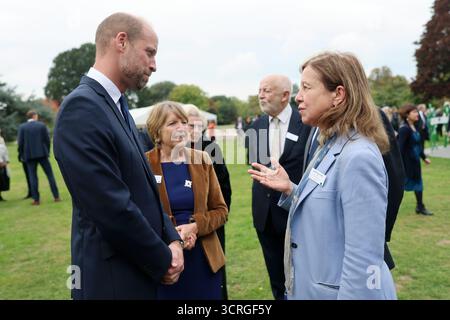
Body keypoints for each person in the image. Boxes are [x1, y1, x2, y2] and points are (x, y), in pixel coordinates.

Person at [53, 12, 184, 300]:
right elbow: (111, 206)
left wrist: (172, 238)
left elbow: (143, 190)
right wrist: (162, 257)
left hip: (132, 270)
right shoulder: (83, 108)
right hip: (110, 280)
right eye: (149, 52)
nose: (154, 65)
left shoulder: (115, 105)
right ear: (121, 42)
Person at [249, 52, 397, 299]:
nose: (298, 97)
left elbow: (364, 259)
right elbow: (331, 209)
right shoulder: (329, 143)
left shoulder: (358, 156)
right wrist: (290, 189)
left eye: (306, 87)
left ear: (338, 95)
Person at [145, 101, 228, 300]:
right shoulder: (145, 164)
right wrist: (173, 236)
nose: (181, 128)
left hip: (204, 260)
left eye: (184, 122)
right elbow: (141, 216)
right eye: (173, 123)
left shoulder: (202, 159)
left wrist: (195, 227)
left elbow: (220, 210)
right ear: (157, 132)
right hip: (166, 263)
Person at [248, 74, 311, 300]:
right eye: (259, 90)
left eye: (267, 90)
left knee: (302, 275)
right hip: (264, 217)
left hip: (296, 213)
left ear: (285, 95)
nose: (260, 95)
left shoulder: (306, 123)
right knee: (276, 278)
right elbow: (254, 164)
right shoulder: (255, 126)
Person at [184, 103, 232, 299]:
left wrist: (214, 218)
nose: (194, 130)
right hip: (182, 224)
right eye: (189, 125)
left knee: (214, 268)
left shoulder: (211, 148)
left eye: (197, 126)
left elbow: (224, 187)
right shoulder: (173, 151)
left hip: (211, 223)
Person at [18, 110, 60, 205]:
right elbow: (47, 140)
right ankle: (56, 196)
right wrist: (47, 151)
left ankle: (36, 200)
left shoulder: (22, 127)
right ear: (34, 116)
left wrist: (21, 154)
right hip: (42, 154)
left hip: (29, 156)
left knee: (33, 177)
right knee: (50, 175)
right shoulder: (41, 125)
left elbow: (20, 142)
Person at [398, 104, 432, 216]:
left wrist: (424, 157)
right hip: (407, 163)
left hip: (415, 161)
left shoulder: (415, 127)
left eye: (417, 112)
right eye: (414, 112)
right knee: (399, 186)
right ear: (407, 115)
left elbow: (417, 145)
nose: (417, 114)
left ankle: (420, 207)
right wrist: (400, 166)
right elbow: (400, 149)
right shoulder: (404, 129)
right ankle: (388, 206)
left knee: (418, 183)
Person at [0, 130, 10, 200]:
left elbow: (4, 150)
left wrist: (6, 160)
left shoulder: (1, 139)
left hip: (2, 162)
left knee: (1, 179)